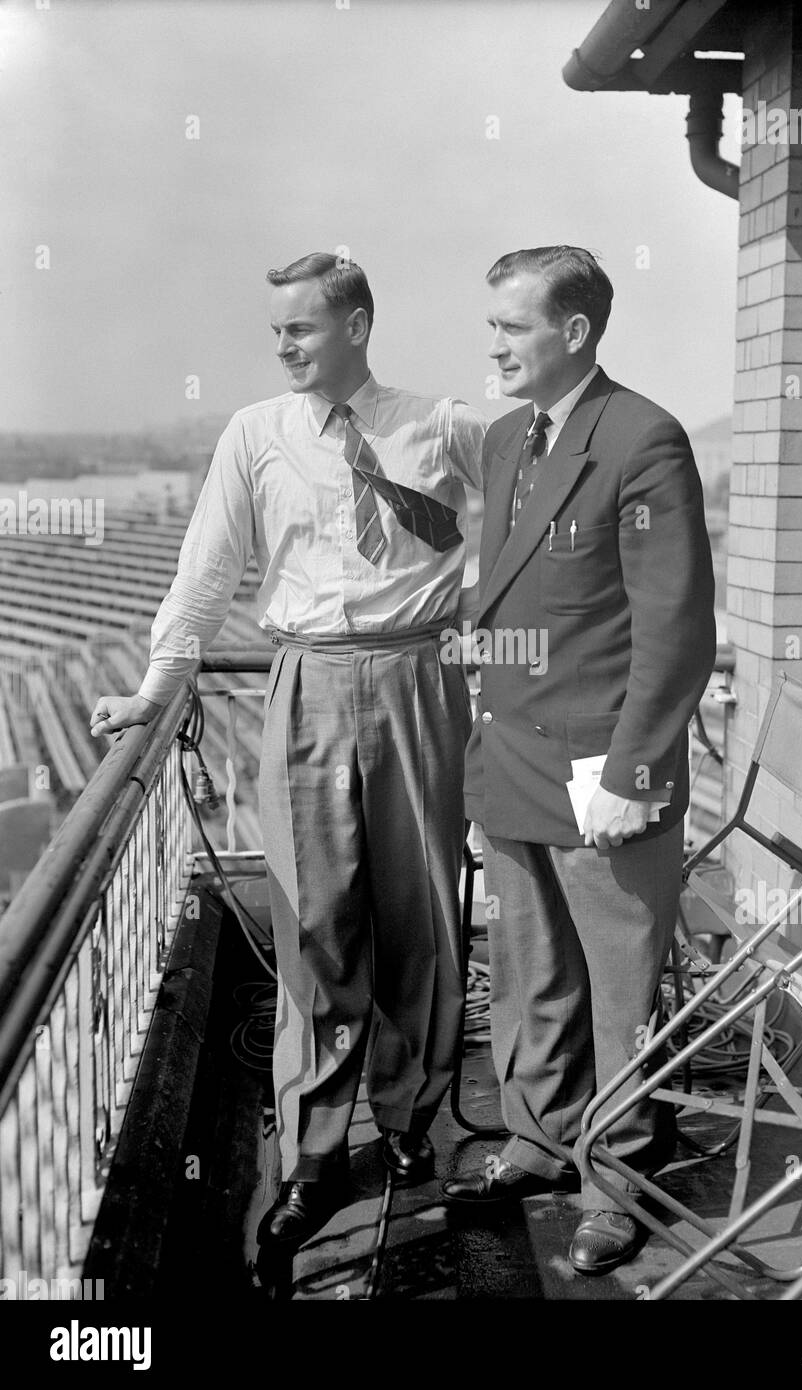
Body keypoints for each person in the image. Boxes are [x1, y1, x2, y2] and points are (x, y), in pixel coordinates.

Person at [91, 252, 485, 1252]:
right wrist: (155, 685)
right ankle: (312, 1152)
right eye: (275, 331)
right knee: (313, 924)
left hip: (418, 685)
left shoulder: (442, 425)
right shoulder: (255, 434)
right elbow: (207, 566)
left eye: (301, 328)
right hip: (305, 684)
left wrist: (485, 622)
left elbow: (535, 522)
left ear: (356, 323)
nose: (282, 347)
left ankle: (408, 1121)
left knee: (423, 917)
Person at [441, 246, 715, 1276]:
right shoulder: (512, 437)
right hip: (513, 755)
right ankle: (540, 1134)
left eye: (511, 327)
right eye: (493, 326)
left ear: (574, 334)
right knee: (528, 970)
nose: (495, 346)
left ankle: (617, 1182)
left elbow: (676, 628)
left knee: (617, 994)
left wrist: (632, 773)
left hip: (603, 770)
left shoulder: (643, 437)